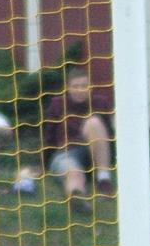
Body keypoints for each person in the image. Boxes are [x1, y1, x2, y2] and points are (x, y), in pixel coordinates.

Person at [43, 68, 115, 202]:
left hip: (93, 153)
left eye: (84, 86)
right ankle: (77, 197)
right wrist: (44, 164)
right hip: (66, 153)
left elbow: (109, 135)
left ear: (90, 87)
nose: (80, 90)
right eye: (75, 86)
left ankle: (104, 180)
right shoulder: (58, 104)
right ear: (68, 88)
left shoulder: (101, 103)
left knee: (93, 122)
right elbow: (50, 137)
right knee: (74, 173)